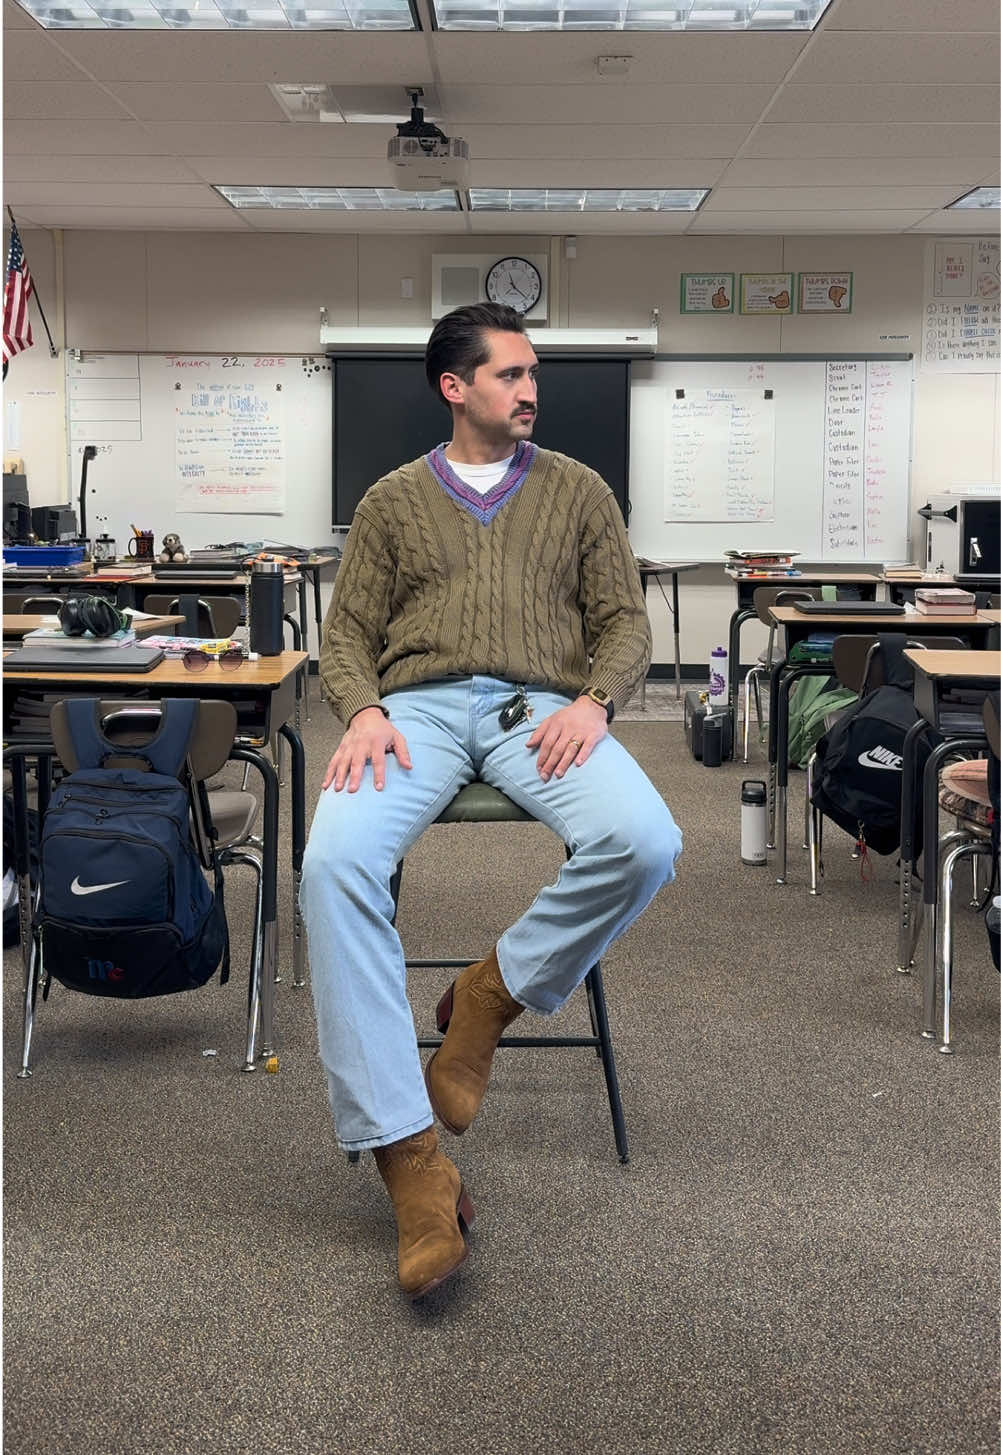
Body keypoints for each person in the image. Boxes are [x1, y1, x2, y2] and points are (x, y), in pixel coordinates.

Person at [300, 302, 682, 1299]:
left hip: (535, 708)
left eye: (532, 373)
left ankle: (489, 993)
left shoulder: (579, 492)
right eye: (510, 374)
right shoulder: (390, 500)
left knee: (643, 839)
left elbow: (622, 625)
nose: (530, 389)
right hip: (415, 711)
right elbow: (345, 635)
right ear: (453, 387)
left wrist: (597, 701)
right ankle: (411, 1162)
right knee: (333, 865)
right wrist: (363, 708)